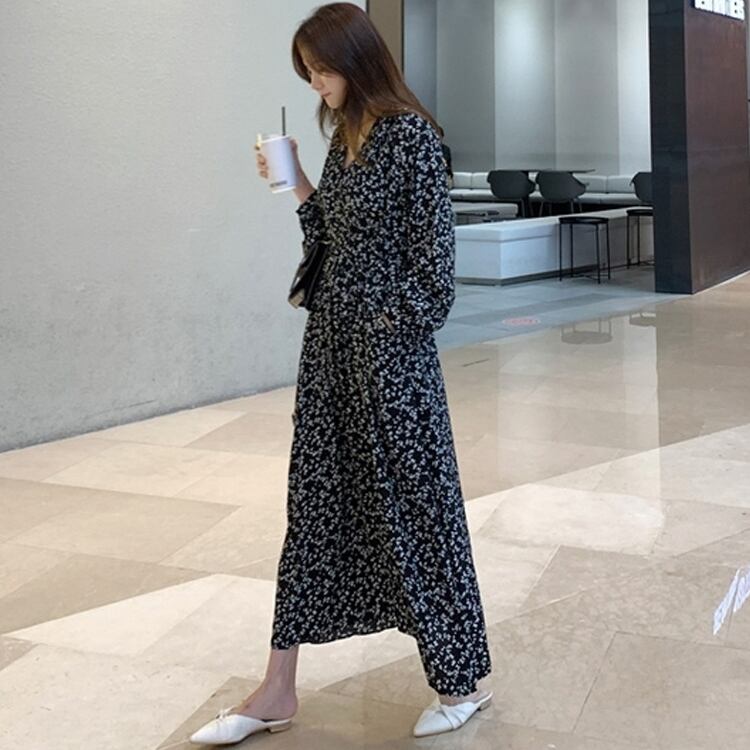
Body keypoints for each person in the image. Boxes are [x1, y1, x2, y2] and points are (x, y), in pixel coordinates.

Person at [190, 3, 492, 745]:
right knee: (315, 508)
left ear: (356, 61)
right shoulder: (347, 139)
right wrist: (296, 182)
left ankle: (461, 680)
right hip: (329, 356)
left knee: (418, 514)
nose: (315, 83)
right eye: (308, 72)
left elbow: (435, 278)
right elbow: (330, 240)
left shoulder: (412, 138)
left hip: (390, 368)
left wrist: (381, 330)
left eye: (322, 69)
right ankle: (277, 688)